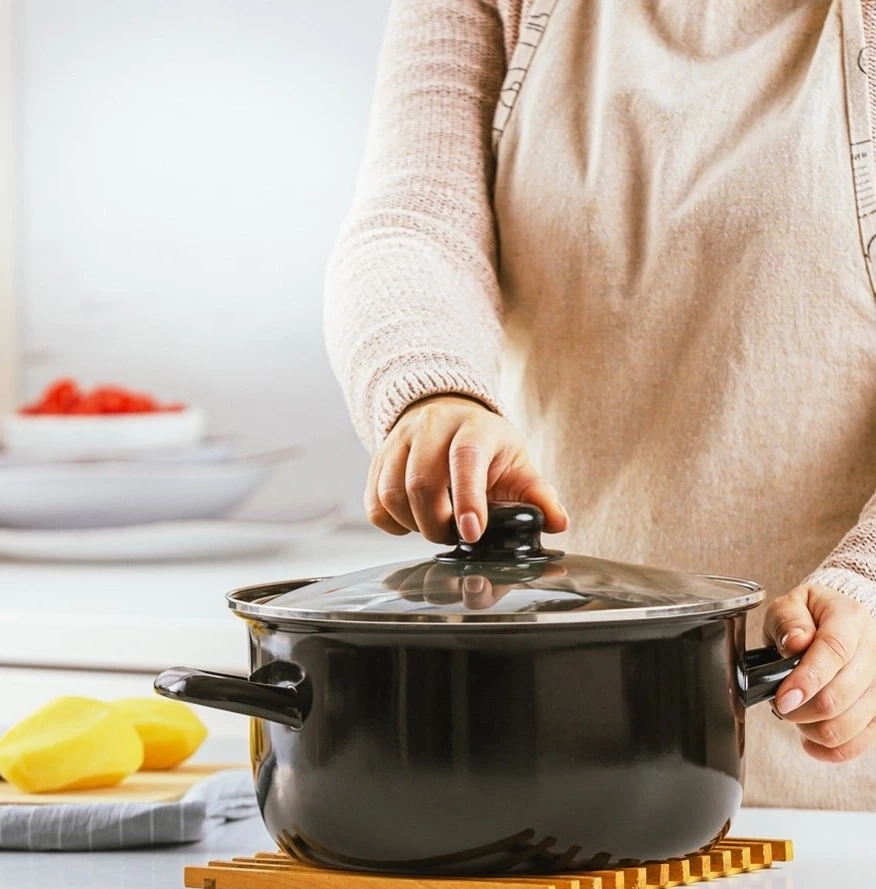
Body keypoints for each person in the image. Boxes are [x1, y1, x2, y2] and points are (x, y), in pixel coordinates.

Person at [324, 0, 876, 809]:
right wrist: (434, 390)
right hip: (565, 757)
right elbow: (414, 218)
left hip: (846, 792)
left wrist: (867, 586)